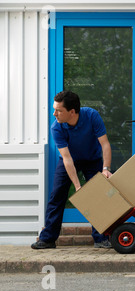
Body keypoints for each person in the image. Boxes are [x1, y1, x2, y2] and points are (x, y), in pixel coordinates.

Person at [31, 91, 113, 249]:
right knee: (57, 195)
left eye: (59, 110)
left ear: (72, 112)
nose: (54, 113)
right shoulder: (57, 127)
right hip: (69, 160)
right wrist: (77, 186)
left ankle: (101, 238)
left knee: (98, 195)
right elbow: (67, 159)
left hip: (93, 159)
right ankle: (47, 239)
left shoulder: (91, 116)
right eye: (54, 109)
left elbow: (105, 144)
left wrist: (106, 169)